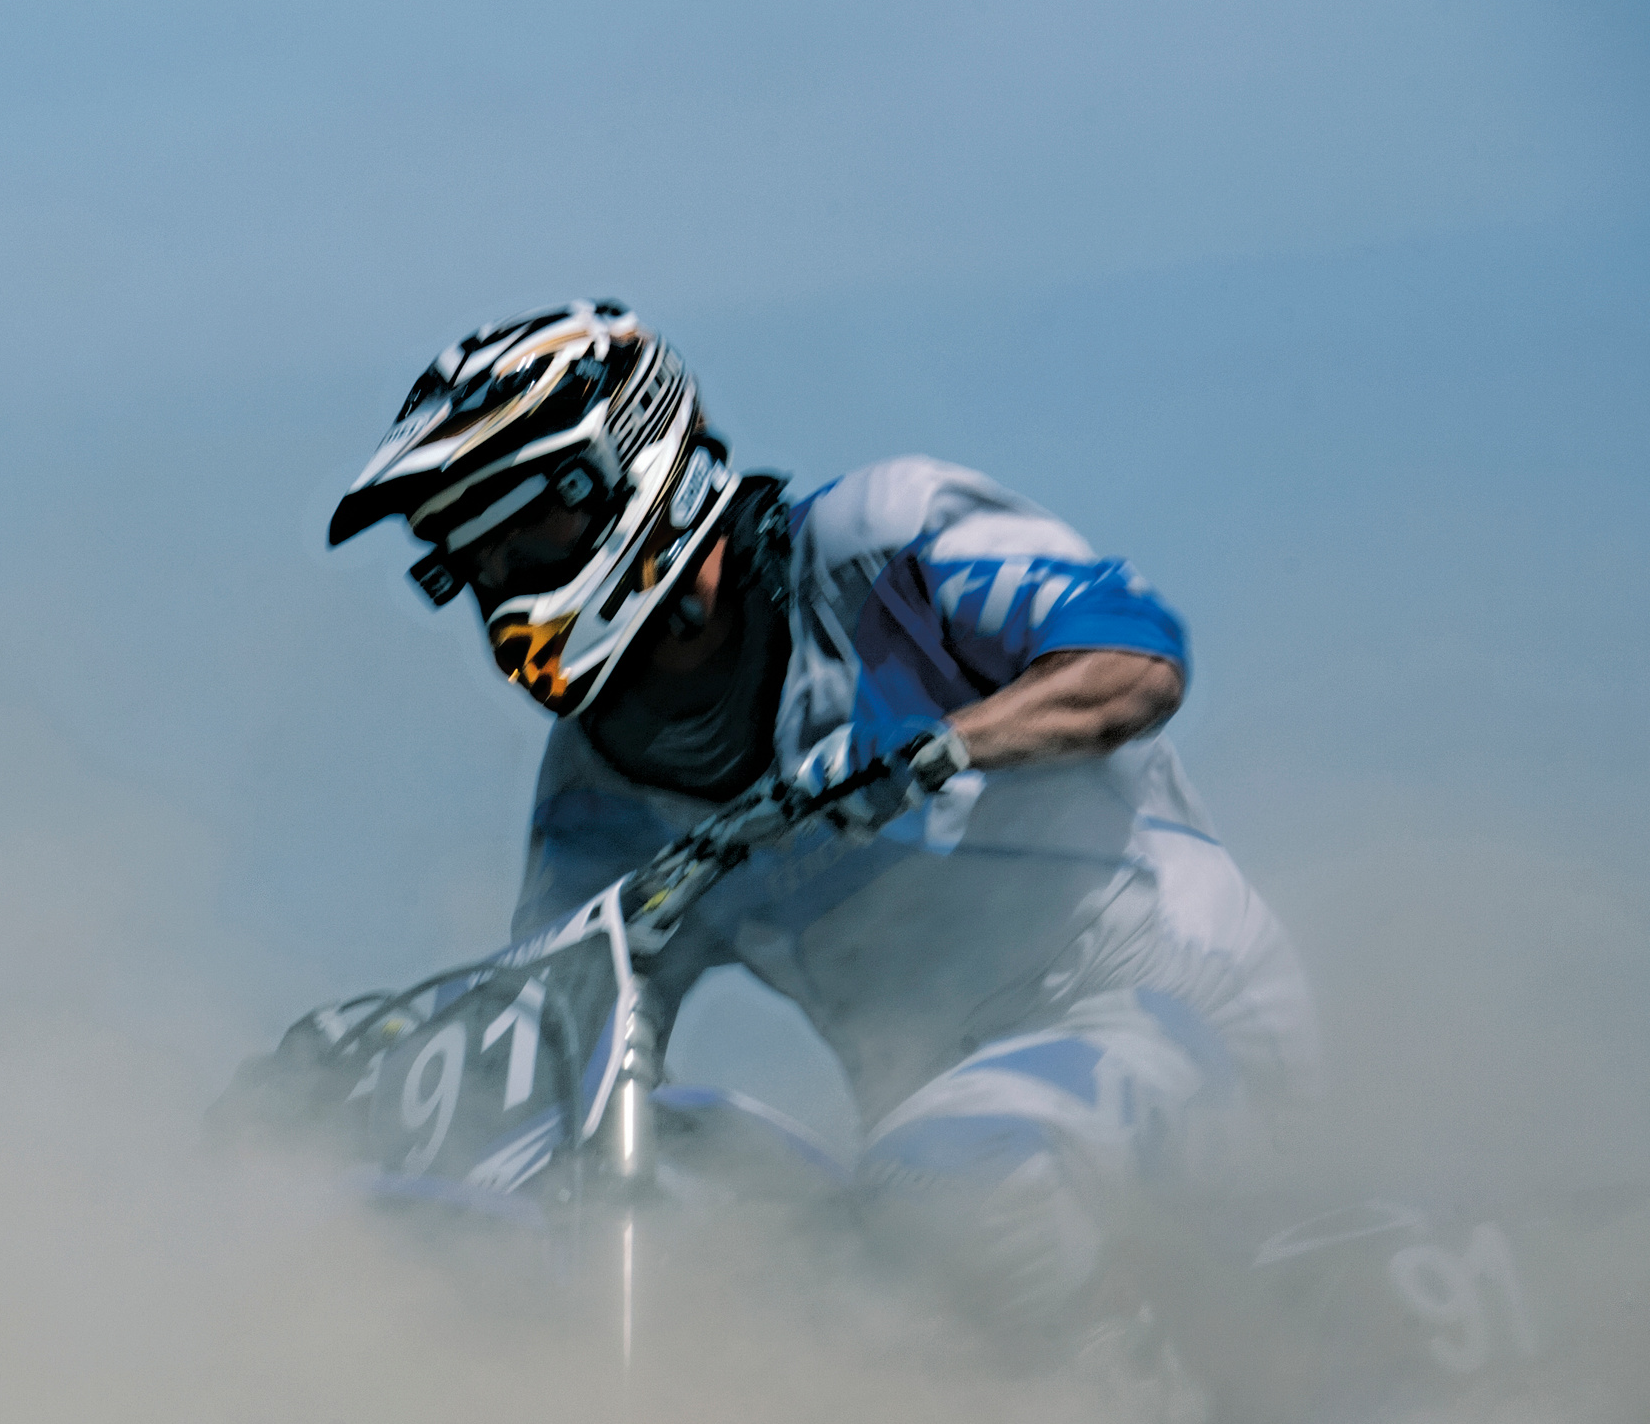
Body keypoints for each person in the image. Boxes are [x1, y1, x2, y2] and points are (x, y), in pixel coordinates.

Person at [327, 300, 1318, 1355]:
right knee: (698, 1186)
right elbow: (556, 1017)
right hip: (929, 1119)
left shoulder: (880, 540)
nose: (501, 580)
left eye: (527, 528)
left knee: (955, 1184)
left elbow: (1135, 664)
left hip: (1176, 1012)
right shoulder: (596, 784)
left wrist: (942, 747)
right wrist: (353, 1069)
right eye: (470, 559)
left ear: (628, 466)